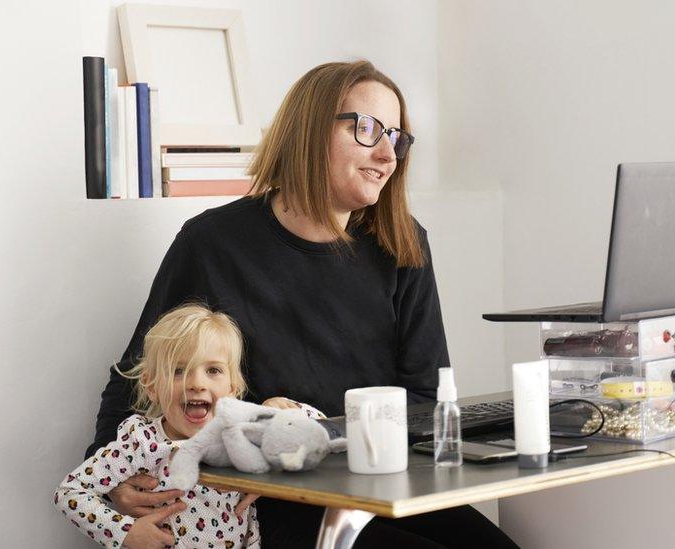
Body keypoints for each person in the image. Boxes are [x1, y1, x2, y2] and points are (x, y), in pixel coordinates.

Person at [90, 60, 517, 548]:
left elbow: (424, 396)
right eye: (367, 128)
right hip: (261, 500)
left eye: (397, 137)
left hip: (376, 480)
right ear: (310, 131)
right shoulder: (212, 244)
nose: (387, 154)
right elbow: (135, 377)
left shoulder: (402, 243)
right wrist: (112, 480)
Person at [60, 304, 323, 548]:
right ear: (152, 387)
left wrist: (286, 410)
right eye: (178, 371)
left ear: (232, 388)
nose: (197, 383)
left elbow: (321, 431)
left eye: (213, 371)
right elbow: (71, 492)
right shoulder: (140, 440)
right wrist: (126, 532)